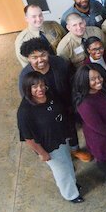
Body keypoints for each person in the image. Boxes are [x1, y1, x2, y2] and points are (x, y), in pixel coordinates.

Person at [18, 39, 92, 162]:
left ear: (48, 53)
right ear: (28, 58)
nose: (40, 59)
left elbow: (72, 81)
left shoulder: (60, 63)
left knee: (71, 129)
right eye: (34, 57)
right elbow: (28, 100)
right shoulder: (25, 76)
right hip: (46, 113)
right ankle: (64, 158)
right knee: (55, 136)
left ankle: (75, 150)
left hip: (66, 104)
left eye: (43, 55)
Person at [17, 72, 83, 203]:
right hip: (49, 146)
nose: (40, 89)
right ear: (27, 88)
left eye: (42, 85)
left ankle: (73, 183)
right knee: (61, 171)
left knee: (68, 164)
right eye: (34, 87)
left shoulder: (49, 94)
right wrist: (42, 153)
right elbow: (28, 138)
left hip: (61, 137)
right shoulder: (25, 111)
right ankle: (71, 194)